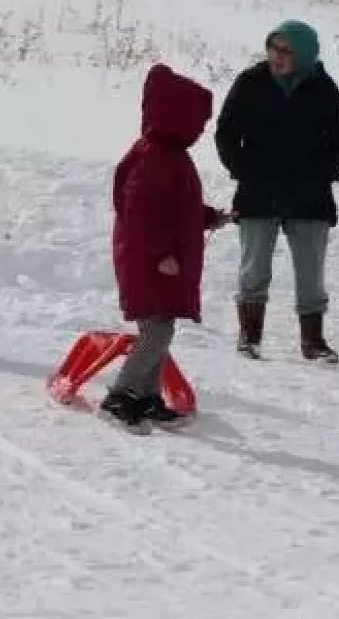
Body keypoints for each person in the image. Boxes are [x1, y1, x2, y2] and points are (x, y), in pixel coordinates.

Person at [102, 64, 231, 434]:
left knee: (162, 330)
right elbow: (140, 211)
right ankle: (122, 395)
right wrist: (161, 254)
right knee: (155, 332)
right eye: (198, 122)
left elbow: (179, 209)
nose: (201, 130)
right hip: (149, 263)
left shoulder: (170, 156)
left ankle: (146, 397)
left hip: (162, 264)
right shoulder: (153, 156)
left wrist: (210, 217)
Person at [215, 20, 339, 363]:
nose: (277, 56)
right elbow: (226, 133)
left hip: (310, 197)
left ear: (305, 54)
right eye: (272, 48)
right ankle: (250, 336)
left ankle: (313, 341)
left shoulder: (323, 87)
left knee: (311, 272)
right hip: (258, 192)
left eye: (286, 50)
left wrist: (321, 174)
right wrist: (244, 169)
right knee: (253, 268)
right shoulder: (251, 83)